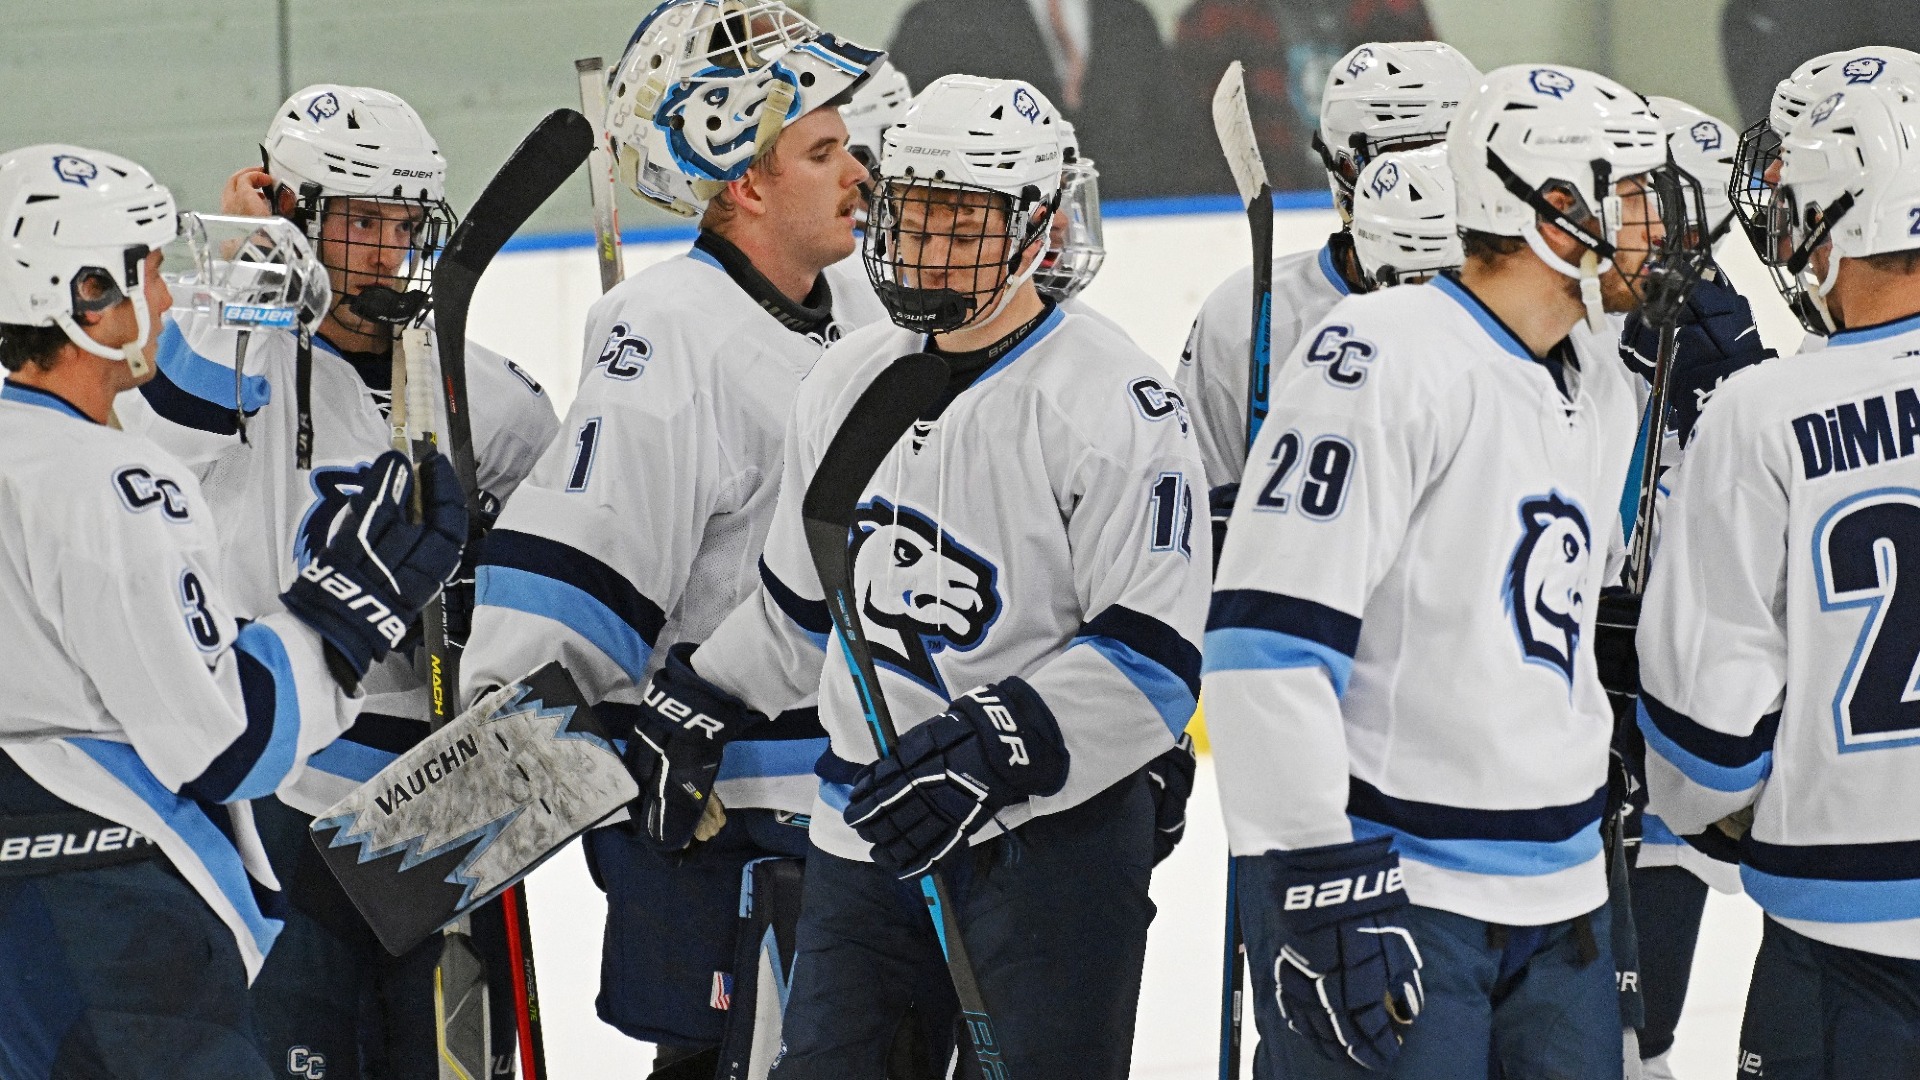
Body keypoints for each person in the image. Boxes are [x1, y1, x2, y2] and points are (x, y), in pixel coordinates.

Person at [617, 73, 1211, 1077]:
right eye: (916, 213)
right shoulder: (846, 379)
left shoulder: (1115, 403)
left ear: (1035, 228)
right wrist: (702, 696)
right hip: (868, 836)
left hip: (1046, 847)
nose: (929, 245)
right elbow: (805, 616)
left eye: (963, 221)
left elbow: (1152, 662)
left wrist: (988, 750)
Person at [1204, 64, 1708, 1078]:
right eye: (1636, 196)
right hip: (1401, 888)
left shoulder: (1602, 378)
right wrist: (1316, 870)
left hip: (1565, 898)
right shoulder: (1380, 358)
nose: (1659, 226)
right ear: (1556, 213)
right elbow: (1266, 647)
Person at [458, 2, 887, 1075]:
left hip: (862, 822)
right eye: (823, 151)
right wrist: (508, 779)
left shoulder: (868, 315)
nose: (858, 173)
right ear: (745, 181)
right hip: (736, 838)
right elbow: (578, 575)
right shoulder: (669, 332)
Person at [112, 83, 558, 1078]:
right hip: (284, 785)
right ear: (289, 209)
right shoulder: (225, 346)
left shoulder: (491, 394)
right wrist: (247, 260)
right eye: (358, 219)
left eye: (404, 222)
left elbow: (563, 594)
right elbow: (167, 428)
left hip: (456, 790)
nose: (385, 249)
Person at [0, 143, 462, 1079]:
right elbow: (227, 743)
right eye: (150, 272)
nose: (167, 299)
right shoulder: (116, 482)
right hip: (115, 910)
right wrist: (344, 613)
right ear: (86, 295)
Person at [1636, 69, 1920, 1080]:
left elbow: (1704, 748)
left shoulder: (1763, 411)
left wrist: (1707, 806)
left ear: (1836, 206)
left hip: (1843, 951)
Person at [1177, 40, 1478, 520]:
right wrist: (1218, 529)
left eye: (1455, 156)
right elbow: (1192, 499)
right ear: (1343, 170)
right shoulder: (1243, 320)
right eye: (1405, 156)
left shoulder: (1526, 309)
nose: (1432, 179)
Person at [885, 0, 1192, 198]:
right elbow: (904, 137)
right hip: (991, 235)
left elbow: (1172, 136)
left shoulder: (1130, 18)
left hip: (1131, 225)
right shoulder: (937, 20)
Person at [1170, 0, 1439, 193]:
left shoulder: (1395, 11)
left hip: (1383, 208)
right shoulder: (1215, 19)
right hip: (1258, 215)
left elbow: (1434, 130)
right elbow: (1193, 148)